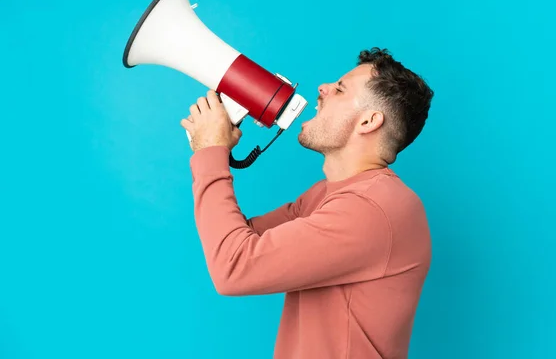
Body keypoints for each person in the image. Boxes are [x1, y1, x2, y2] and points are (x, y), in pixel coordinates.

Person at [180, 47, 434, 359]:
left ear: (368, 121)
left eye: (339, 89)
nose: (322, 88)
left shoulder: (372, 208)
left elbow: (233, 266)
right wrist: (214, 143)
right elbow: (231, 239)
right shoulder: (326, 195)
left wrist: (210, 153)